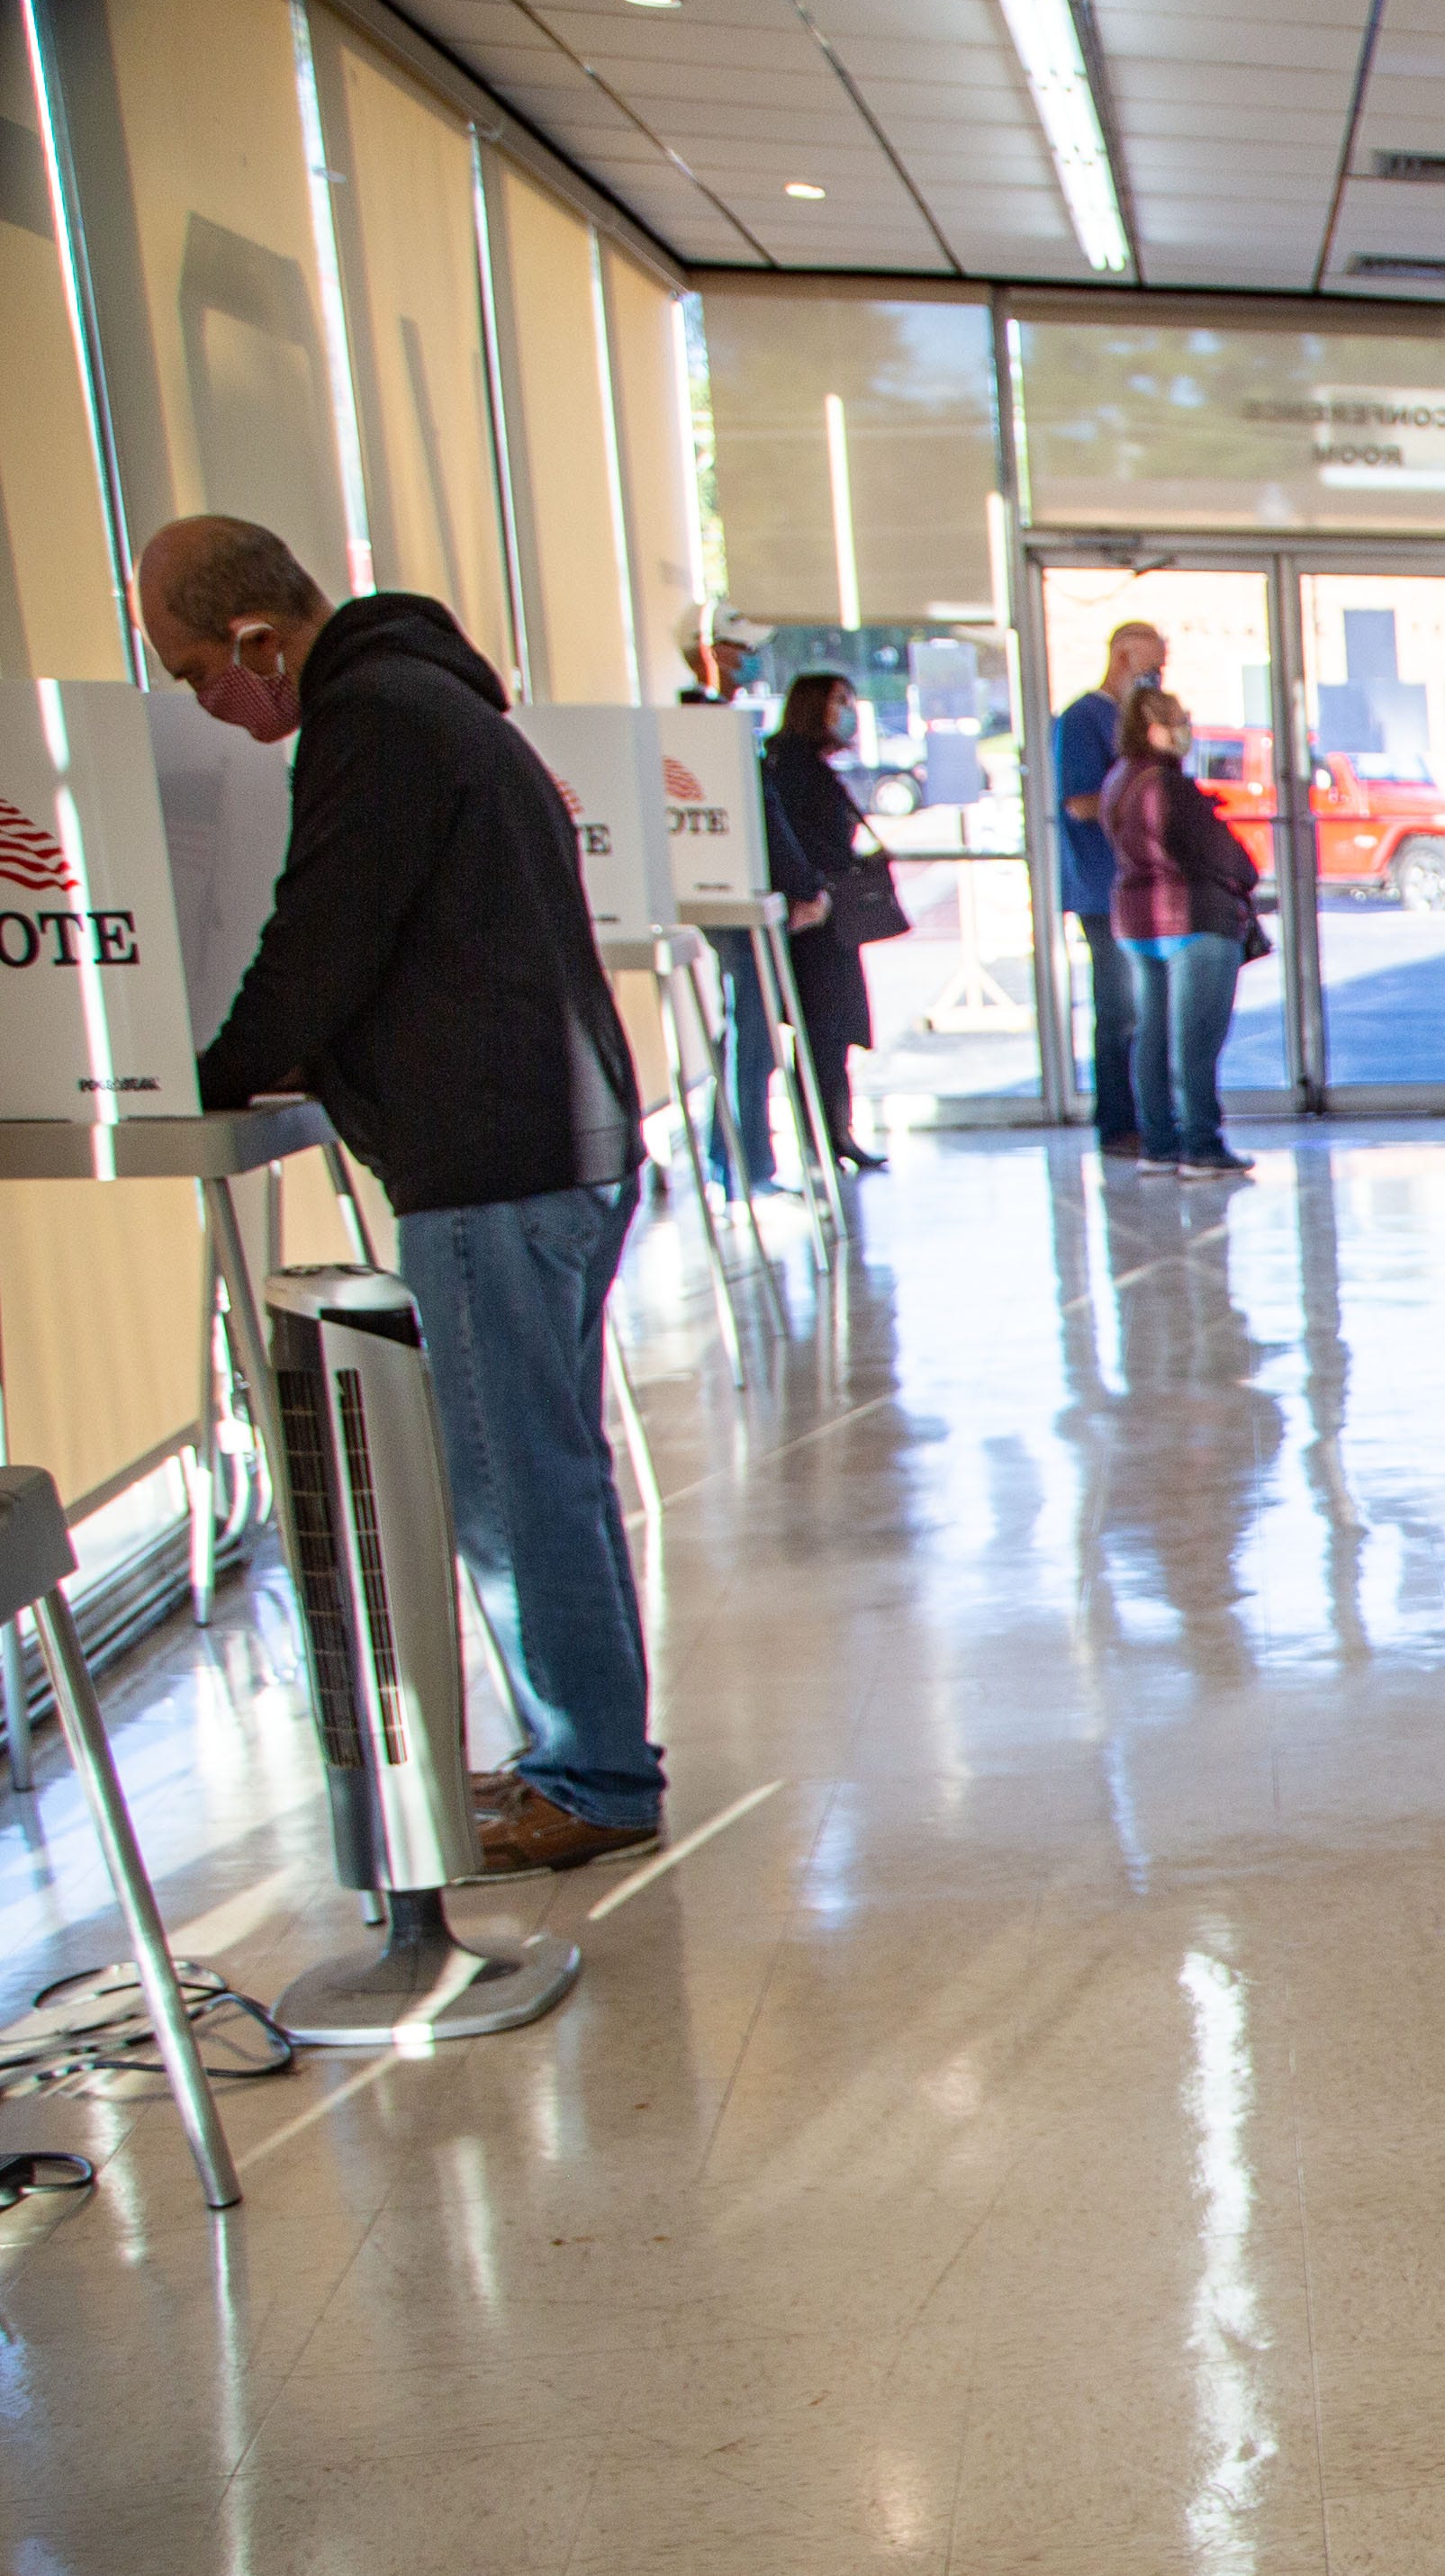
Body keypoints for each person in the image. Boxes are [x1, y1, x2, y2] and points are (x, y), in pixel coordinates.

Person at [143, 517, 666, 1874]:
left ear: (262, 636)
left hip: (494, 1155)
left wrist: (204, 1071)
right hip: (550, 1142)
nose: (205, 702)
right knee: (544, 1468)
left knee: (511, 1485)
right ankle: (588, 1755)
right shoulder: (431, 697)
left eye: (200, 670)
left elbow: (323, 937)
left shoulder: (372, 718)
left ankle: (595, 1778)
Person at [1095, 686, 1257, 1181]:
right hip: (1191, 917)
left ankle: (1160, 1143)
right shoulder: (1167, 784)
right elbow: (1213, 853)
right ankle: (1202, 1144)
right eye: (1178, 720)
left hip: (1135, 920)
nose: (1186, 728)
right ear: (1154, 730)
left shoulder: (1118, 780)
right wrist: (1243, 875)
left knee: (1152, 1036)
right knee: (1196, 1040)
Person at [675, 610, 786, 1193]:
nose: (747, 660)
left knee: (750, 1034)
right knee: (749, 1034)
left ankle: (739, 1159)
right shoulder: (700, 728)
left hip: (743, 898)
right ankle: (744, 1163)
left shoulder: (723, 723)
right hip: (730, 900)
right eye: (737, 649)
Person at [762, 671, 889, 1173]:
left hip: (831, 917)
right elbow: (792, 838)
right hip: (812, 921)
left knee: (834, 1030)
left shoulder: (811, 765)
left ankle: (837, 1133)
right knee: (822, 1030)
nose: (847, 710)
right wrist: (809, 888)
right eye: (839, 701)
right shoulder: (788, 765)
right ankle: (824, 1137)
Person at [1058, 619, 1163, 1160]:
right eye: (1148, 665)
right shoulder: (1084, 719)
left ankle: (1152, 1115)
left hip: (1145, 889)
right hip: (1103, 889)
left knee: (1147, 1009)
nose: (1155, 677)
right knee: (1119, 1009)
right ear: (1123, 659)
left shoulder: (1134, 721)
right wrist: (1132, 797)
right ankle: (1118, 1123)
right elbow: (1078, 801)